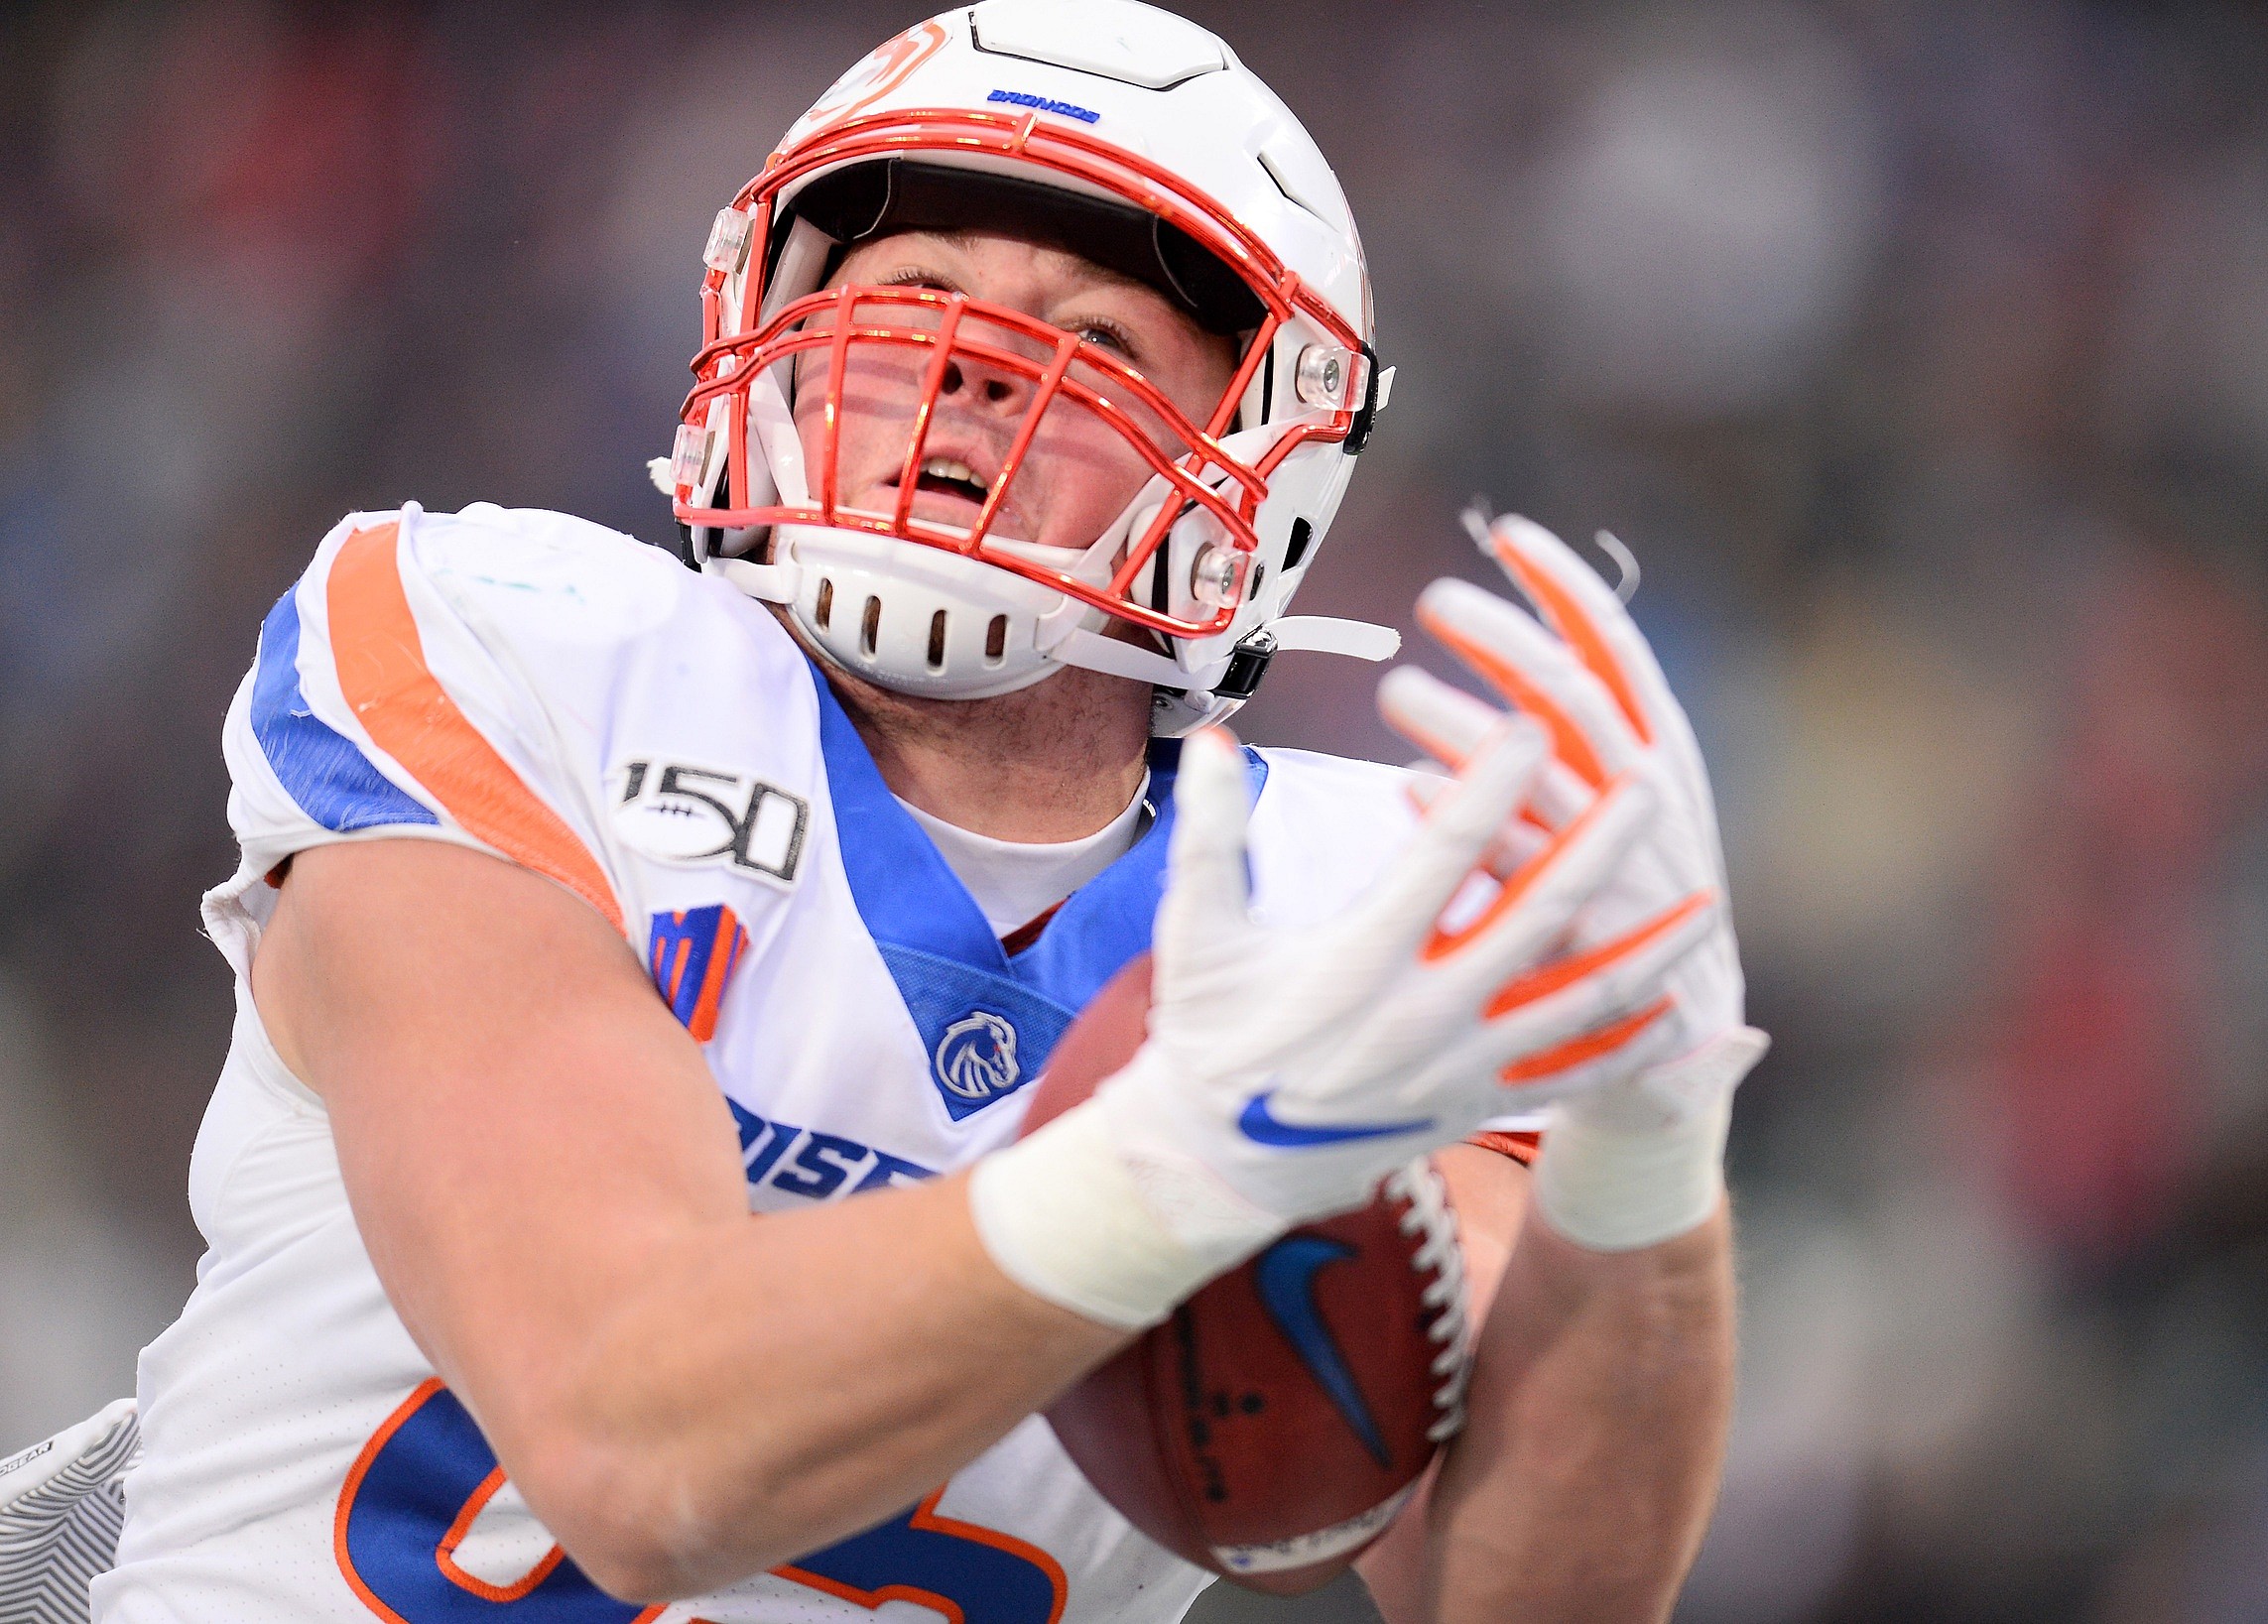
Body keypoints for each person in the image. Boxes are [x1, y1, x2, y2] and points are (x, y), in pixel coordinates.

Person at [60, 3, 1768, 1621]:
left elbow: (1521, 1593)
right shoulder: (508, 643)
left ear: (1264, 460)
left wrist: (1645, 1144)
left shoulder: (1356, 890)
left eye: (1093, 340)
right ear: (775, 336)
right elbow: (628, 1444)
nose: (968, 367)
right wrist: (1164, 1172)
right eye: (915, 287)